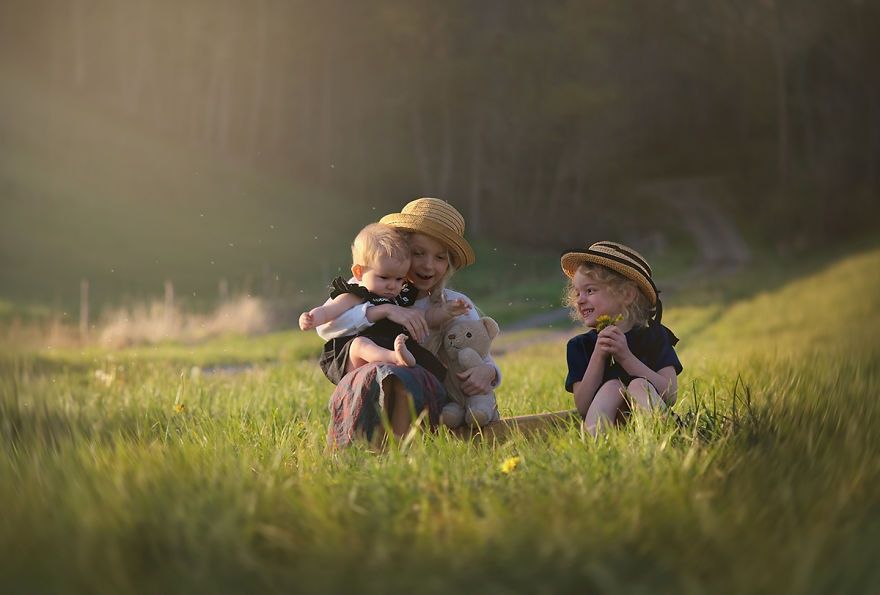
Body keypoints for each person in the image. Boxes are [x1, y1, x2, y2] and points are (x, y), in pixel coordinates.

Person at [318, 198, 500, 447]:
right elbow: (326, 328)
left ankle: (402, 450)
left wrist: (487, 372)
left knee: (401, 375)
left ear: (449, 265)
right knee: (383, 371)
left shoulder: (453, 304)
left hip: (429, 397)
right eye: (418, 253)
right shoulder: (372, 287)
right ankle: (366, 447)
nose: (428, 265)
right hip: (371, 389)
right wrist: (382, 311)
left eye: (440, 257)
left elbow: (482, 355)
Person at [561, 241, 683, 436]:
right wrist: (599, 356)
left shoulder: (654, 337)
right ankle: (597, 450)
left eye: (590, 290)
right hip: (610, 429)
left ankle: (667, 437)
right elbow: (583, 406)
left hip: (656, 427)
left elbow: (669, 394)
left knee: (638, 385)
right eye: (577, 293)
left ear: (627, 295)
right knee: (611, 387)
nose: (580, 300)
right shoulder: (580, 346)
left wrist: (626, 357)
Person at [299, 223, 446, 383]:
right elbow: (329, 311)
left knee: (428, 362)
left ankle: (441, 387)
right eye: (384, 277)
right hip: (354, 355)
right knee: (360, 344)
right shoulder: (356, 294)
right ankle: (394, 357)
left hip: (390, 343)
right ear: (359, 272)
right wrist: (312, 317)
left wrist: (447, 311)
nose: (392, 285)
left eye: (399, 279)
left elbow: (422, 313)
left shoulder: (398, 296)